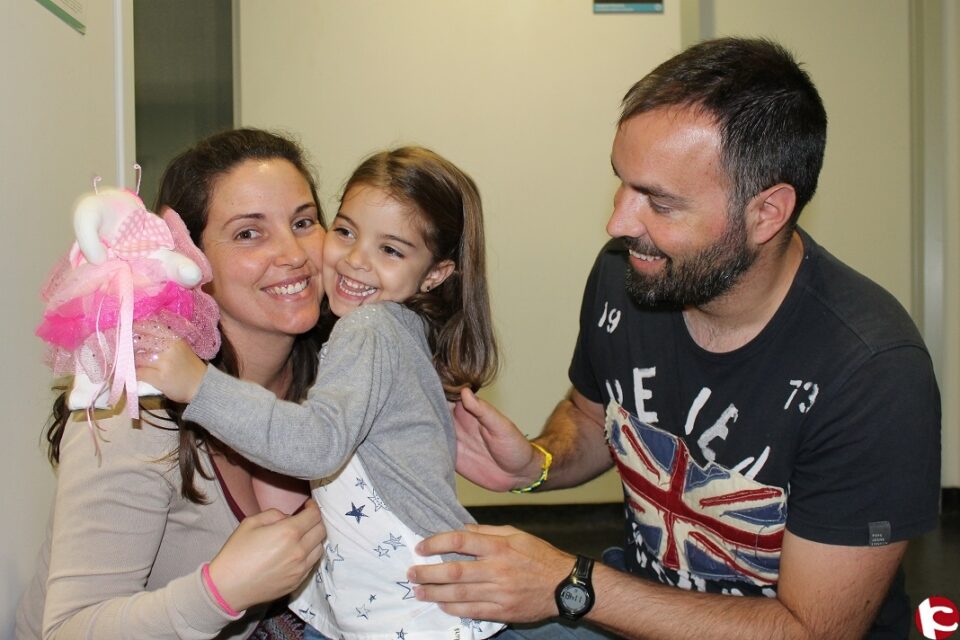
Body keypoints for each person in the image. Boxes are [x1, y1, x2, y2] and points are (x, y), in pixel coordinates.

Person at [407, 37, 942, 639]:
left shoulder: (872, 371)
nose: (618, 223)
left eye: (659, 202)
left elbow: (811, 630)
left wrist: (570, 584)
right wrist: (536, 463)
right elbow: (591, 417)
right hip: (631, 608)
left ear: (767, 213)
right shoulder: (628, 273)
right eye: (623, 183)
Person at [138, 146, 506, 639]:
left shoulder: (370, 329)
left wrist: (198, 385)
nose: (356, 261)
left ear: (437, 273)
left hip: (411, 605)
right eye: (347, 231)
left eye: (390, 249)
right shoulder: (390, 332)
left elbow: (317, 445)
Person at [16, 128, 329, 639]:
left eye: (303, 221)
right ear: (192, 259)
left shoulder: (334, 385)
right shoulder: (136, 408)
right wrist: (220, 591)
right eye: (249, 233)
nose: (294, 253)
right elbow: (68, 630)